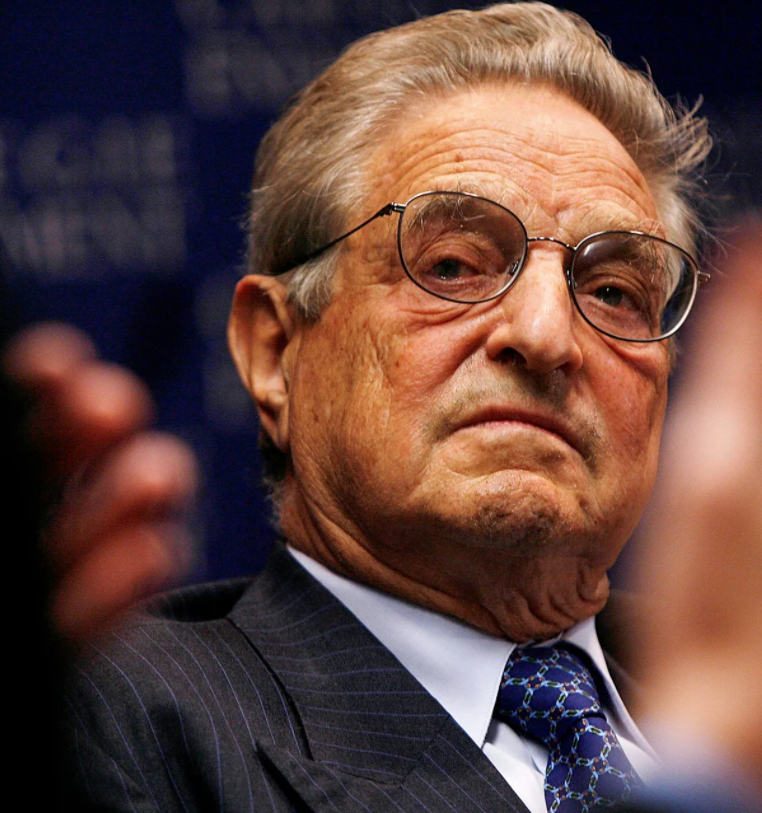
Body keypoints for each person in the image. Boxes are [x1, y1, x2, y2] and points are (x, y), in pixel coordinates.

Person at [59, 4, 720, 811]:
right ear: (274, 350)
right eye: (454, 265)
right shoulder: (116, 721)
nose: (549, 335)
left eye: (614, 292)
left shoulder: (727, 700)